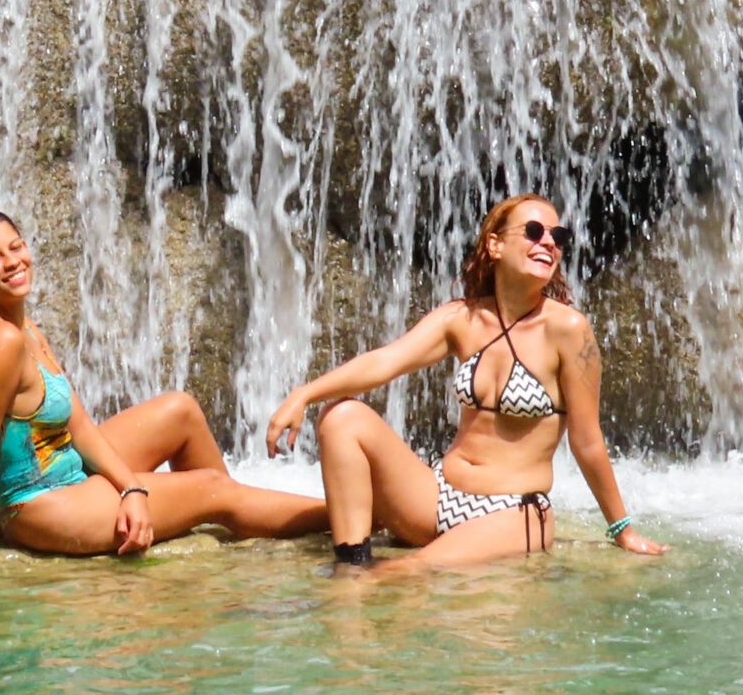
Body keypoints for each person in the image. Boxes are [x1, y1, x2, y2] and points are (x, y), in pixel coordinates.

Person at [0, 209, 329, 575]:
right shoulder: (0, 340)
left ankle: (235, 515)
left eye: (16, 246)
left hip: (66, 470)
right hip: (35, 506)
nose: (13, 262)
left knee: (179, 411)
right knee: (210, 488)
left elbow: (78, 425)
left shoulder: (22, 326)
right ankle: (348, 515)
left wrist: (131, 489)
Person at [266, 193, 668, 568]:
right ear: (495, 246)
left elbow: (586, 438)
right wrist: (305, 394)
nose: (548, 242)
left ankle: (364, 584)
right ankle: (351, 563)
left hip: (514, 512)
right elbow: (385, 362)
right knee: (342, 418)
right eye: (532, 232)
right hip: (439, 497)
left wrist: (622, 529)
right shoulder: (462, 318)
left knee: (405, 573)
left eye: (557, 236)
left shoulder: (568, 329)